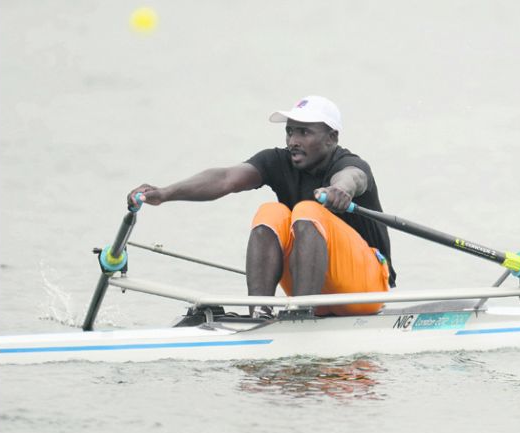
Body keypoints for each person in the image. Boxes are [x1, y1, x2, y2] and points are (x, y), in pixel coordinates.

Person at [127, 95, 396, 318]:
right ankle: (261, 313)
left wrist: (341, 190)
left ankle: (301, 314)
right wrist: (164, 193)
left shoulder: (351, 165)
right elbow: (225, 179)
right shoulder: (277, 162)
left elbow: (353, 177)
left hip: (366, 289)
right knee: (271, 212)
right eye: (290, 131)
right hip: (315, 288)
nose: (293, 141)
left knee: (307, 210)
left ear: (331, 137)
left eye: (304, 132)